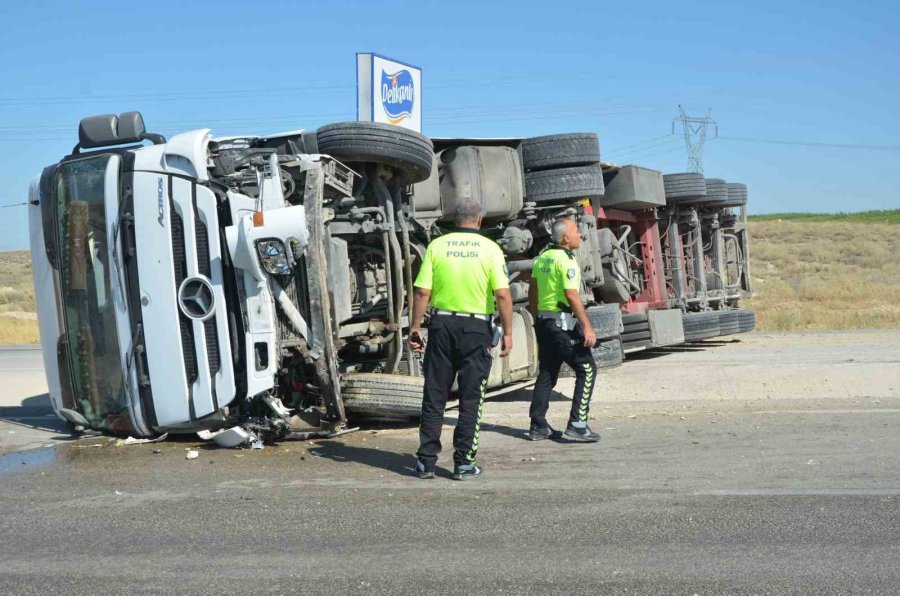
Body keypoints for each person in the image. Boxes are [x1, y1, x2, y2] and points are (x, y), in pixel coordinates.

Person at [408, 199, 513, 480]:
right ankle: (464, 463)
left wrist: (415, 328)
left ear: (454, 220)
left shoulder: (436, 246)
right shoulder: (491, 249)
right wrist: (508, 332)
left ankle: (426, 463)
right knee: (471, 398)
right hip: (476, 329)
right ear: (479, 220)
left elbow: (421, 293)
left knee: (434, 396)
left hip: (442, 325)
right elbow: (503, 294)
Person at [527, 218, 600, 442]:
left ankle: (538, 425)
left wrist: (537, 318)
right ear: (566, 238)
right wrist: (587, 326)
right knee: (587, 369)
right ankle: (577, 425)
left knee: (548, 372)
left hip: (545, 323)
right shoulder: (567, 261)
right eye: (577, 231)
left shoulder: (543, 258)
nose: (581, 235)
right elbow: (571, 294)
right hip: (562, 324)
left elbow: (533, 291)